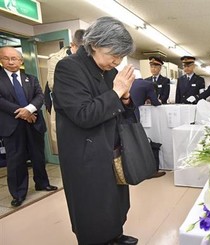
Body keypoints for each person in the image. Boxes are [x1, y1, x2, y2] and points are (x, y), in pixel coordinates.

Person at [53, 17, 138, 245]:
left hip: (111, 149)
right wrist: (117, 92)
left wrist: (126, 98)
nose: (117, 61)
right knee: (92, 208)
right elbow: (84, 114)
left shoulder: (109, 70)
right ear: (96, 44)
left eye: (121, 56)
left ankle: (115, 235)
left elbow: (118, 108)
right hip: (85, 155)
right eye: (114, 55)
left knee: (115, 201)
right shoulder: (69, 68)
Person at [0, 47, 57, 208]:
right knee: (16, 160)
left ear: (21, 61)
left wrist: (30, 109)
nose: (11, 62)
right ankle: (18, 193)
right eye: (6, 58)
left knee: (38, 156)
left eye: (14, 58)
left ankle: (42, 183)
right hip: (12, 126)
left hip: (34, 123)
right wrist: (23, 112)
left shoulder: (31, 79)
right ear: (1, 60)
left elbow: (40, 96)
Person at [46, 29, 85, 152]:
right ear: (73, 45)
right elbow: (54, 85)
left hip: (85, 108)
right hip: (66, 108)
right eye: (82, 49)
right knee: (69, 148)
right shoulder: (56, 59)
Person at [129, 71, 166, 179]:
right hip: (133, 114)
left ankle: (135, 170)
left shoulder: (134, 82)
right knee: (140, 142)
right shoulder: (149, 85)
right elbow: (155, 102)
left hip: (123, 112)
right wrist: (156, 99)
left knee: (131, 143)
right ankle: (149, 171)